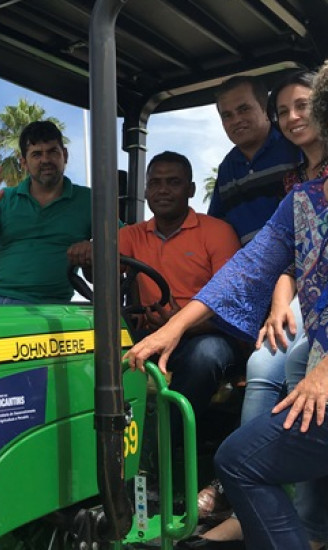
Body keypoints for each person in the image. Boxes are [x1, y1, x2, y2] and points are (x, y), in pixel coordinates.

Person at [127, 45, 328, 550]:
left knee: (239, 461)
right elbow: (247, 269)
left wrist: (327, 370)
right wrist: (171, 329)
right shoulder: (303, 199)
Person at [197, 71, 328, 548]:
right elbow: (284, 249)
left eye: (299, 107)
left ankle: (305, 523)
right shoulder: (293, 178)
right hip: (279, 282)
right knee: (257, 357)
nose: (292, 118)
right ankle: (244, 496)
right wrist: (278, 302)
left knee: (297, 363)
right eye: (286, 111)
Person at [117, 151, 242, 432]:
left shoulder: (217, 232)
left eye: (173, 182)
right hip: (150, 334)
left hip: (205, 334)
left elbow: (231, 305)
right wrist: (86, 254)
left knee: (206, 356)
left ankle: (160, 448)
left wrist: (181, 323)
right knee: (90, 347)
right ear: (146, 190)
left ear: (191, 189)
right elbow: (100, 272)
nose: (163, 190)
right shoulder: (131, 236)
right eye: (155, 183)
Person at [0, 120, 91, 304]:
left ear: (64, 155)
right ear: (24, 162)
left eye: (52, 151)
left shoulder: (89, 200)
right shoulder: (5, 198)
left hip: (49, 308)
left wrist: (95, 249)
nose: (45, 160)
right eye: (36, 154)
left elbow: (123, 242)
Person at [207, 76, 300, 245]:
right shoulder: (227, 169)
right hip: (247, 267)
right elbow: (215, 229)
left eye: (243, 109)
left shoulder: (295, 147)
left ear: (265, 109)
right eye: (227, 115)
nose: (236, 120)